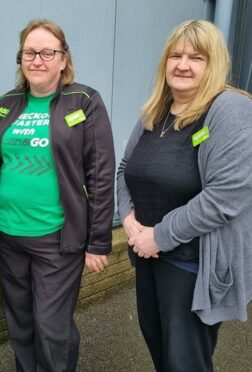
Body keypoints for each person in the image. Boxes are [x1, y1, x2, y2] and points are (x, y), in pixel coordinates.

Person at [117, 19, 252, 371]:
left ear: (214, 64)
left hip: (191, 265)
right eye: (175, 55)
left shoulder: (229, 110)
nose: (182, 64)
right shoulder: (156, 110)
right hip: (147, 257)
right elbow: (124, 170)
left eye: (196, 57)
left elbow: (225, 196)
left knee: (185, 362)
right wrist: (129, 221)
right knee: (161, 353)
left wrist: (159, 236)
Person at [0, 19, 115, 372]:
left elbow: (100, 174)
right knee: (20, 320)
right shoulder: (5, 104)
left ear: (63, 59)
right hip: (9, 235)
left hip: (57, 238)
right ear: (20, 58)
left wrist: (98, 241)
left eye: (47, 52)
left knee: (51, 326)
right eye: (29, 52)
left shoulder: (83, 101)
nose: (37, 59)